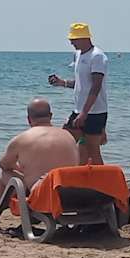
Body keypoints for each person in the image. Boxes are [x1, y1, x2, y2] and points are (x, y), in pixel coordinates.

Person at [0, 98, 80, 232]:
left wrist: (23, 171)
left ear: (29, 119)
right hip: (70, 195)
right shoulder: (69, 136)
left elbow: (4, 165)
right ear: (51, 116)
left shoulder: (22, 139)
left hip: (43, 195)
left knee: (3, 177)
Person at [47, 20, 109, 165]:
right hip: (79, 110)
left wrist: (84, 113)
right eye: (71, 39)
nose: (71, 42)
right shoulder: (78, 55)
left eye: (74, 39)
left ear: (84, 38)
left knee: (93, 151)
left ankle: (103, 178)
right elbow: (81, 84)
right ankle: (77, 175)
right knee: (66, 143)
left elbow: (96, 87)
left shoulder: (97, 56)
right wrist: (62, 83)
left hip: (94, 113)